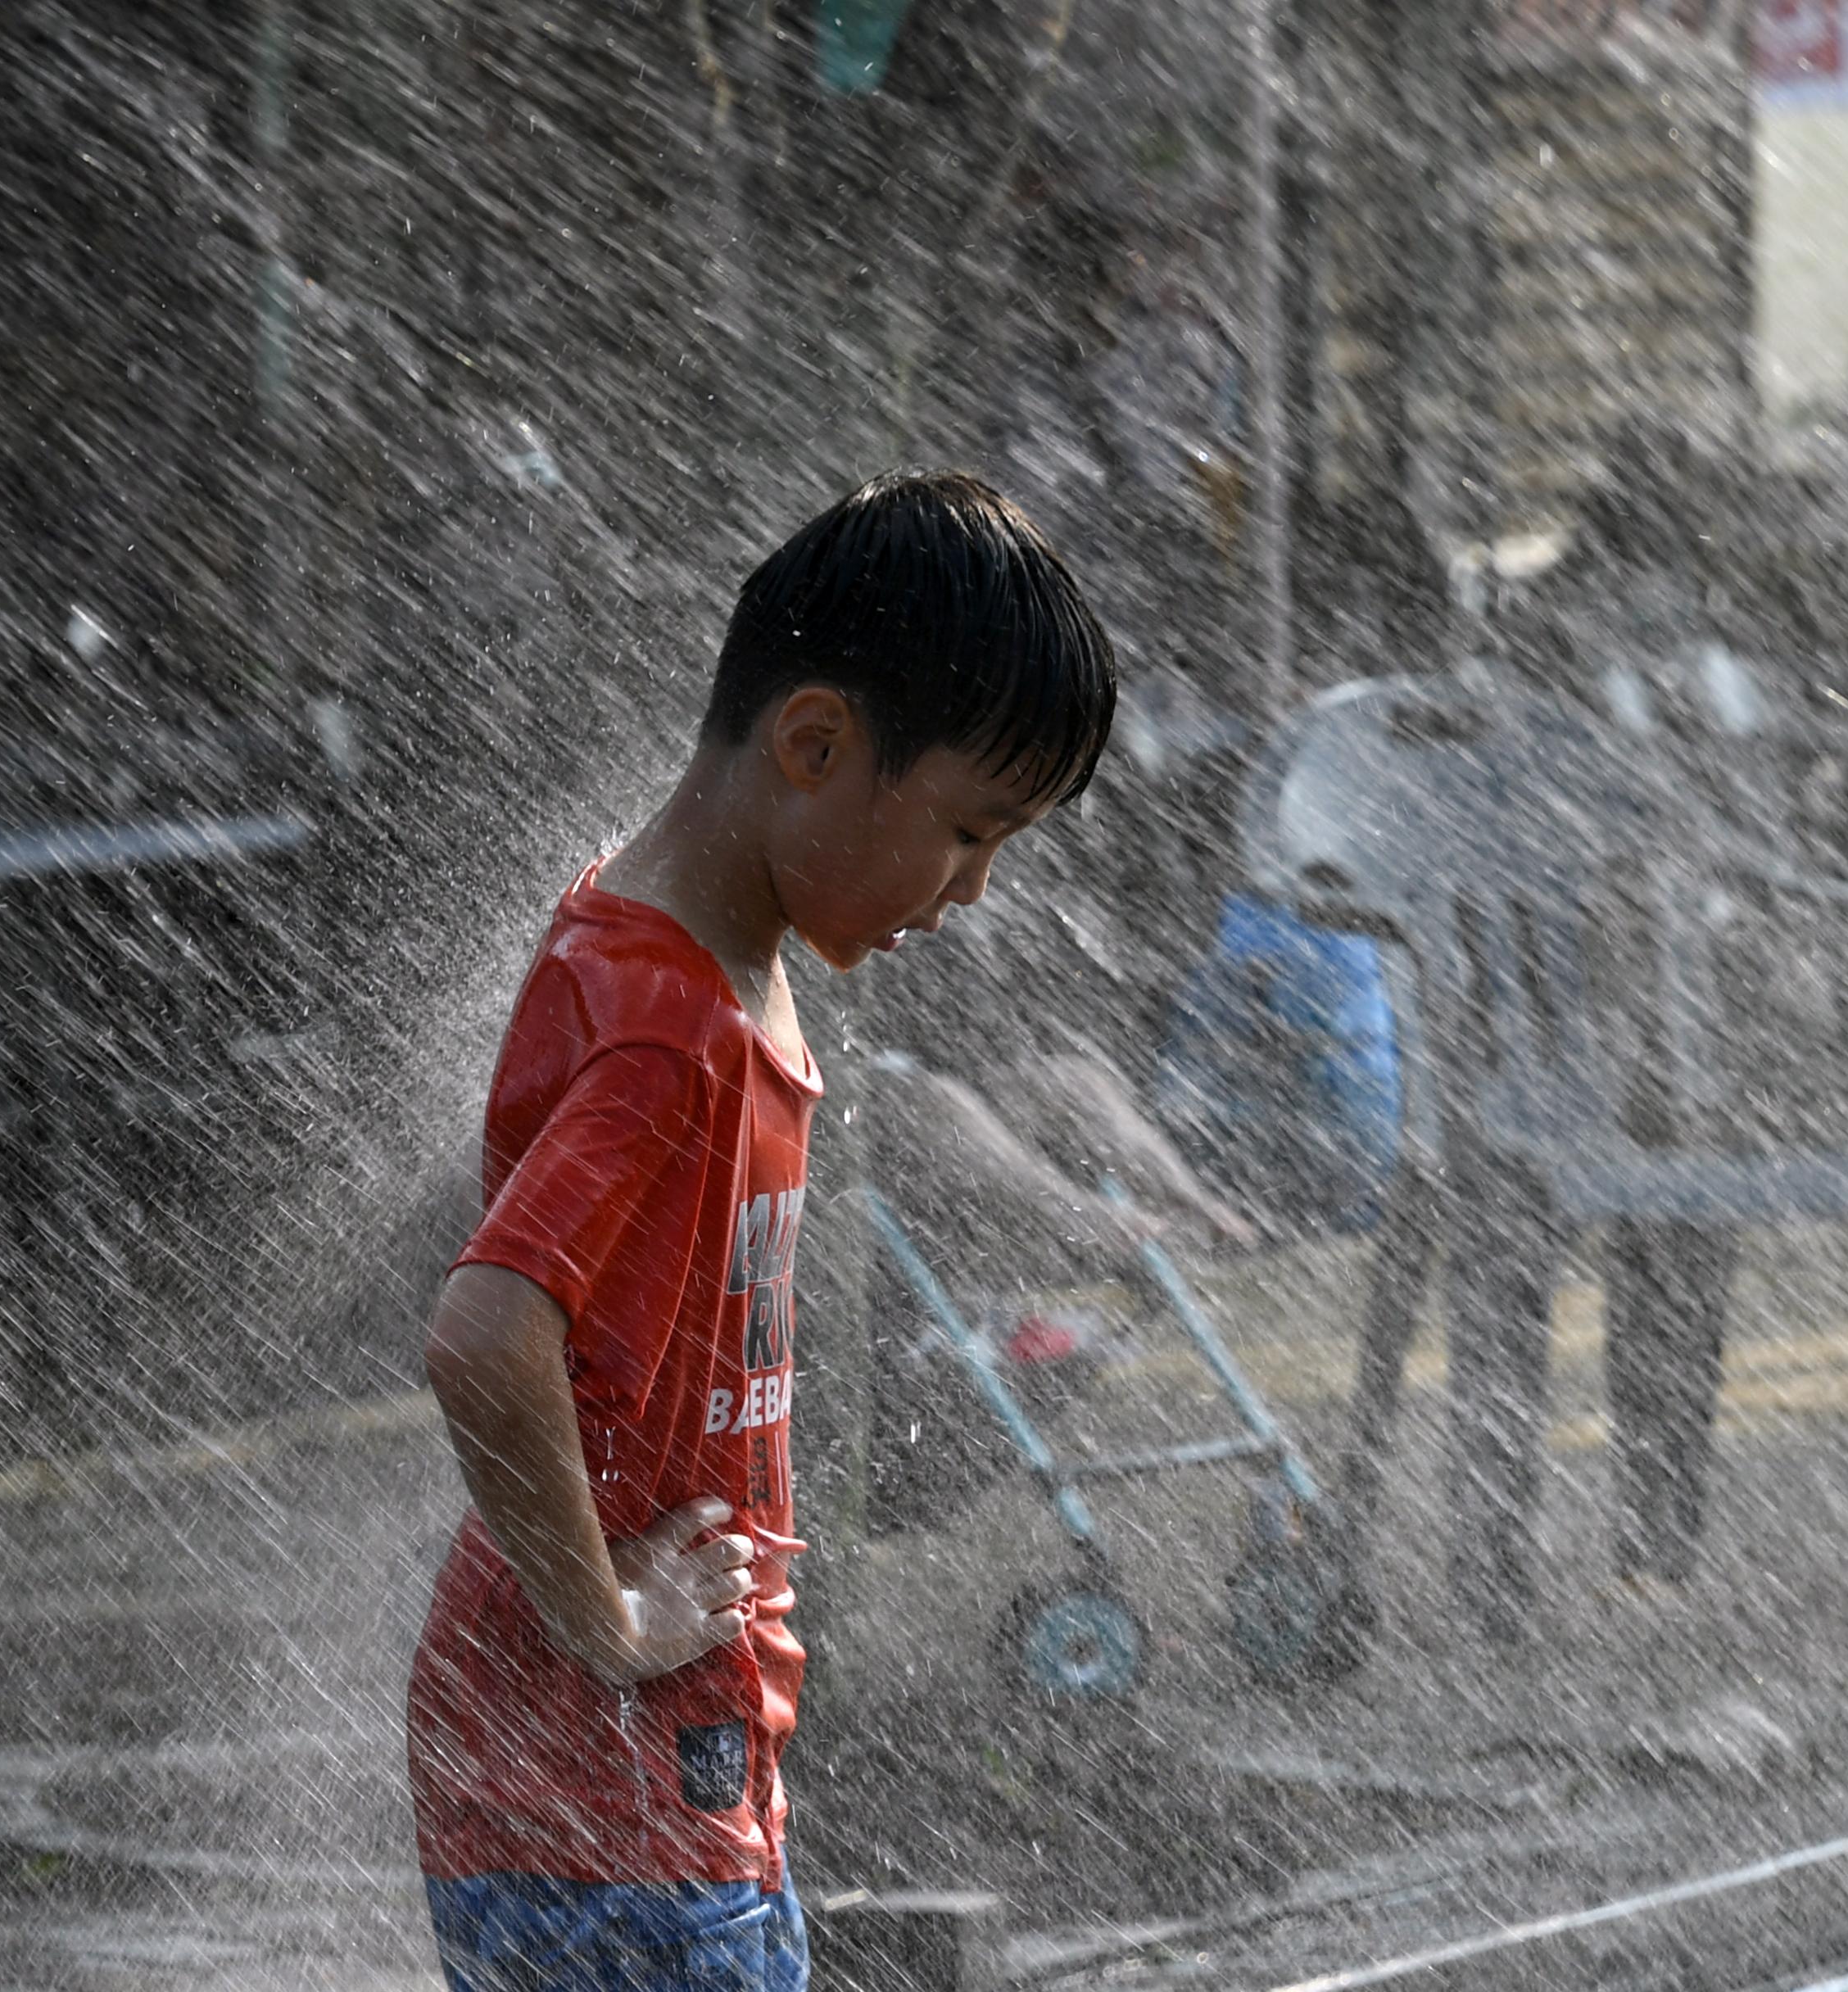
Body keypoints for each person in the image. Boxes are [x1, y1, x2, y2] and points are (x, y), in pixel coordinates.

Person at [406, 471, 1118, 1991]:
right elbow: (483, 1335)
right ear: (812, 745)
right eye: (970, 831)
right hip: (614, 1789)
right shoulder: (675, 1029)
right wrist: (610, 1623)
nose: (977, 891)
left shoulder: (677, 938)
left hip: (630, 1780)